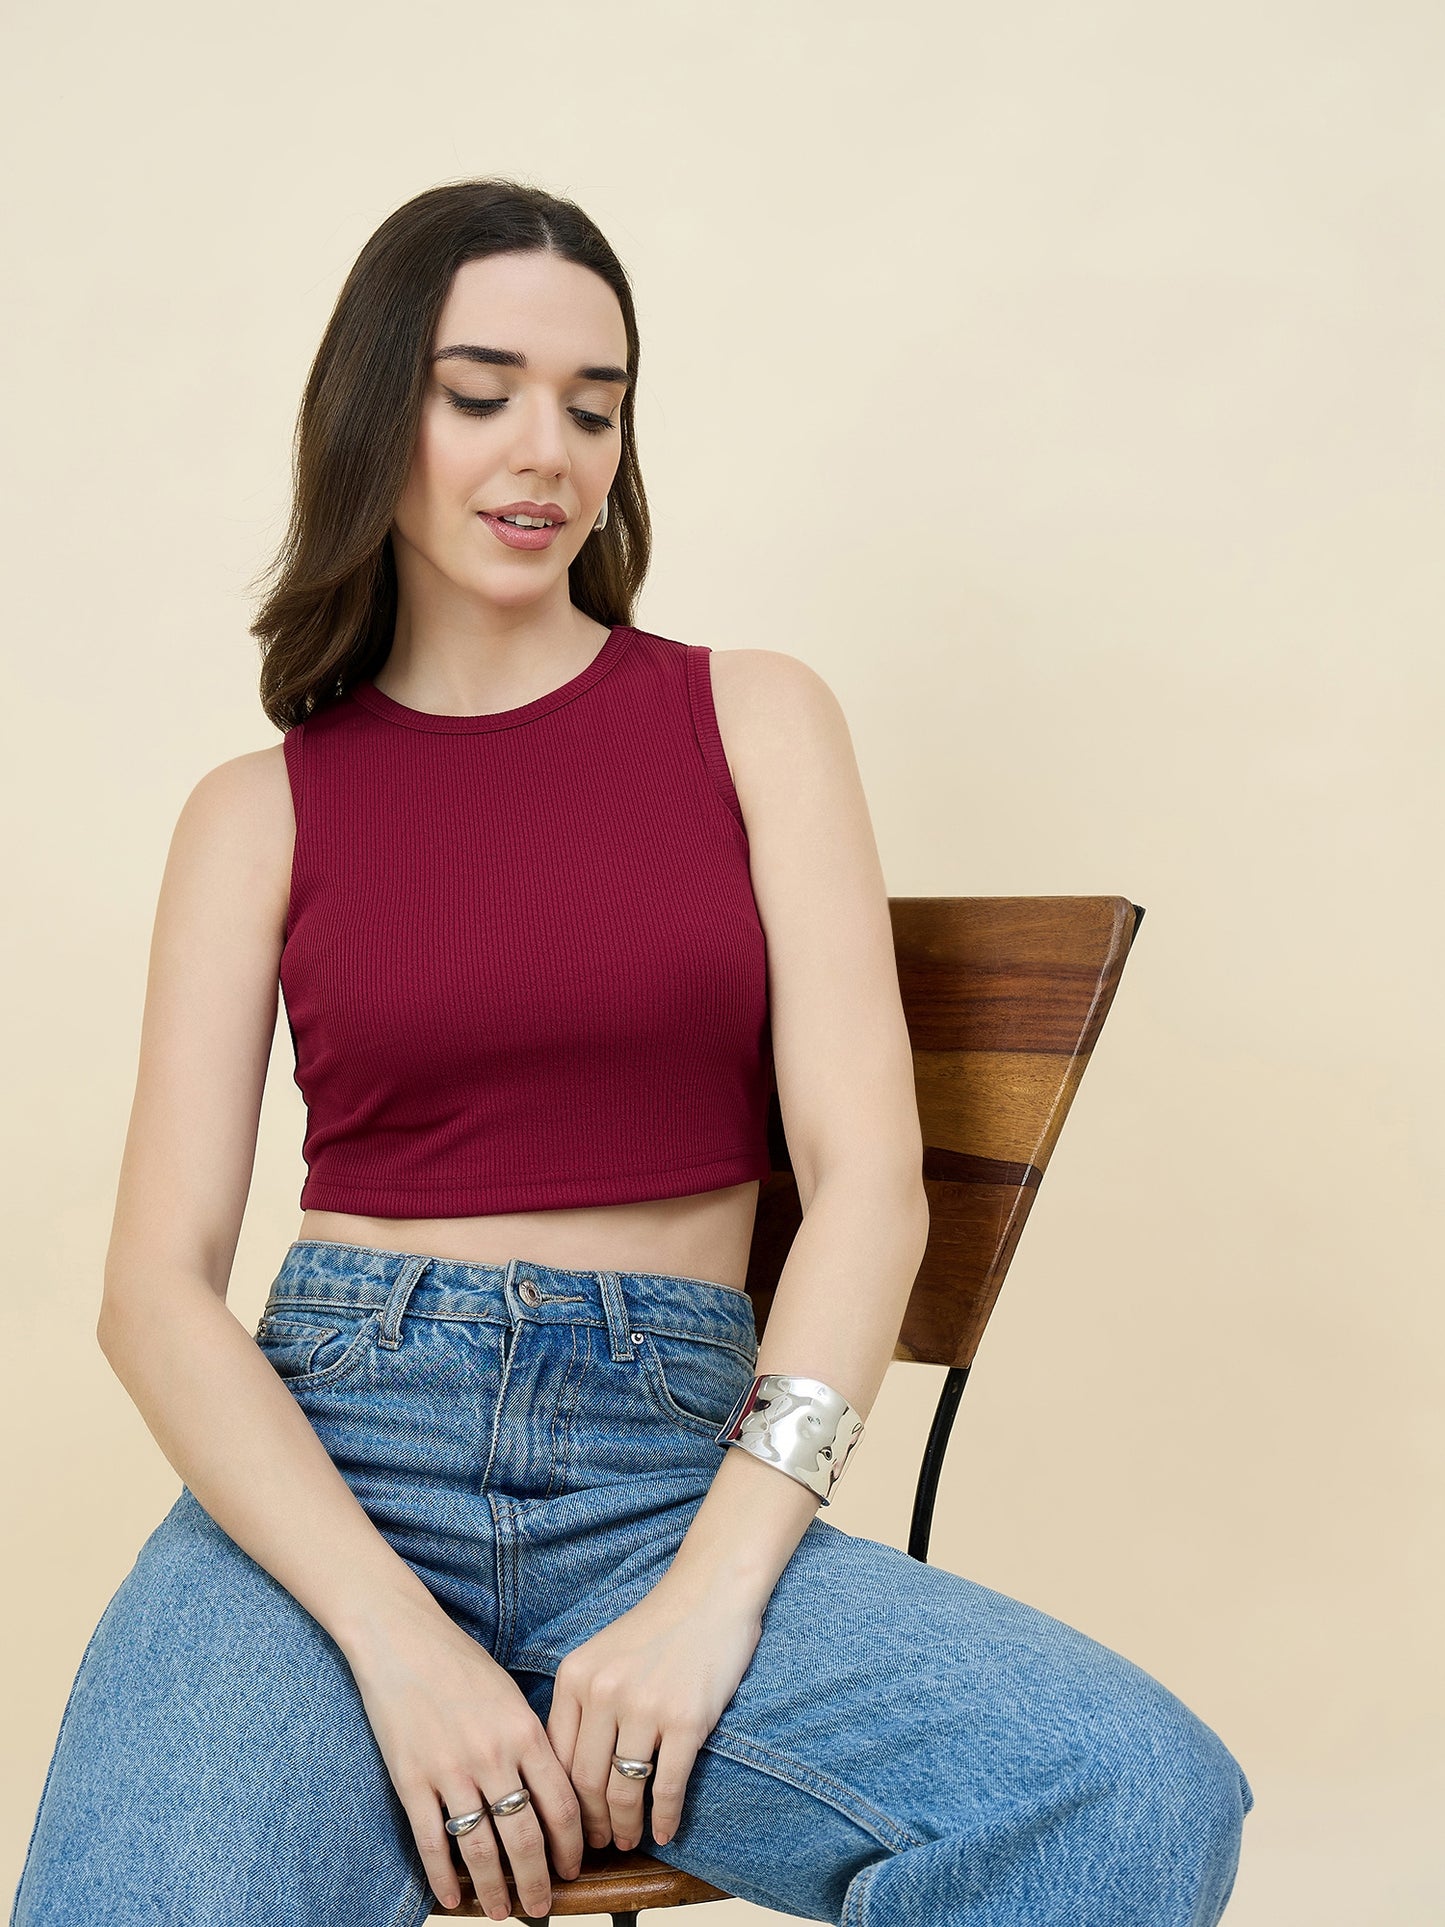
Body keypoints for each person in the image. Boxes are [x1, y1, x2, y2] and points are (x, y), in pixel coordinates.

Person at [8, 178, 1254, 1927]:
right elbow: (153, 1291)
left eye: (593, 406)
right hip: (331, 1481)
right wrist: (397, 1643)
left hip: (672, 1472)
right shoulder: (254, 813)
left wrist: (712, 1592)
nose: (548, 452)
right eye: (482, 392)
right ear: (379, 413)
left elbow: (866, 1195)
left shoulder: (749, 716)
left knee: (1127, 1789)